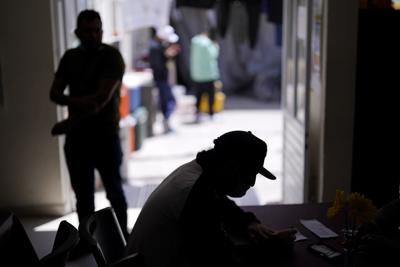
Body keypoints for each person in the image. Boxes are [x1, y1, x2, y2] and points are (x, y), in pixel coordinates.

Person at [125, 130, 296, 267]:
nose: (251, 183)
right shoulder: (196, 193)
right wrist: (273, 248)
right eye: (249, 174)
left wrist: (249, 223)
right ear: (232, 168)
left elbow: (222, 204)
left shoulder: (199, 173)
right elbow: (217, 258)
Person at [49, 9, 129, 238]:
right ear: (77, 32)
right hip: (78, 138)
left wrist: (70, 118)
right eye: (87, 31)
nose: (93, 35)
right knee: (83, 197)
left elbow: (101, 100)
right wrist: (81, 103)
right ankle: (88, 241)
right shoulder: (70, 57)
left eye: (97, 30)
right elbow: (54, 93)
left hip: (105, 135)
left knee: (114, 192)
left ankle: (121, 239)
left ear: (102, 31)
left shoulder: (112, 56)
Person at [148, 26, 180, 133]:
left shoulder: (158, 46)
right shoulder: (155, 47)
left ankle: (167, 123)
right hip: (161, 79)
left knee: (169, 101)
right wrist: (166, 55)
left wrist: (167, 55)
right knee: (168, 102)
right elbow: (157, 65)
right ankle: (166, 124)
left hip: (162, 79)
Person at [190, 29, 220, 122]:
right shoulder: (208, 44)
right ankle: (211, 113)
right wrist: (216, 47)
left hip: (197, 74)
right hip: (209, 74)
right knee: (210, 95)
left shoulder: (194, 42)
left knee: (198, 95)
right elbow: (213, 55)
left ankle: (197, 113)